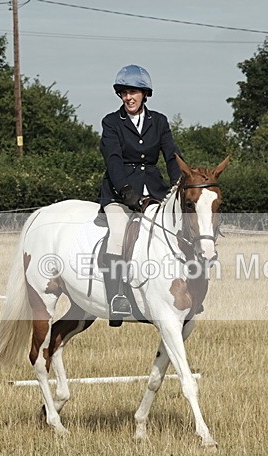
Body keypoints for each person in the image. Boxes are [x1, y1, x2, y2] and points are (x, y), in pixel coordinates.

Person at [99, 64, 182, 326]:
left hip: (154, 192)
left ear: (144, 93)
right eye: (124, 93)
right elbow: (113, 160)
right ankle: (116, 299)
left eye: (133, 92)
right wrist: (126, 192)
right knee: (117, 236)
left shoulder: (159, 121)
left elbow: (170, 155)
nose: (128, 97)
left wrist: (180, 182)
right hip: (118, 192)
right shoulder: (112, 122)